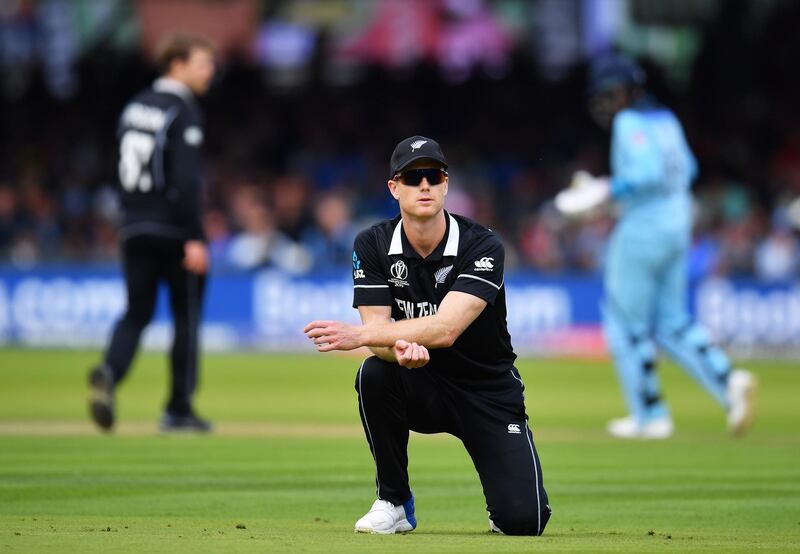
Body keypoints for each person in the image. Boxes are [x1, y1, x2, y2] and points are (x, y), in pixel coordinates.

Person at [304, 136, 551, 536]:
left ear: (446, 184)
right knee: (373, 373)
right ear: (393, 187)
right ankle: (394, 501)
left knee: (525, 522)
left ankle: (506, 499)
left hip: (486, 390)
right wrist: (395, 351)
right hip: (421, 384)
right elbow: (378, 338)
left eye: (433, 176)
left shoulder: (483, 244)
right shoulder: (372, 244)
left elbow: (446, 328)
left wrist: (367, 335)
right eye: (413, 177)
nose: (424, 186)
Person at [560, 54, 756, 439]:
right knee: (672, 321)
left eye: (606, 93)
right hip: (679, 224)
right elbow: (689, 169)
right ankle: (728, 382)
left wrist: (603, 191)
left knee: (624, 322)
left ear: (618, 92)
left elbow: (645, 175)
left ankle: (650, 415)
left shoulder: (629, 121)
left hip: (643, 228)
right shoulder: (666, 119)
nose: (603, 101)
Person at [88, 34, 216, 433]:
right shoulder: (182, 111)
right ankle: (178, 407)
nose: (209, 71)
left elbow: (116, 169)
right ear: (175, 64)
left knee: (136, 312)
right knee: (187, 316)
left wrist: (127, 219)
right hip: (174, 228)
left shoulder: (134, 108)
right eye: (202, 63)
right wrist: (194, 235)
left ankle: (110, 370)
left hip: (133, 225)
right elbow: (185, 180)